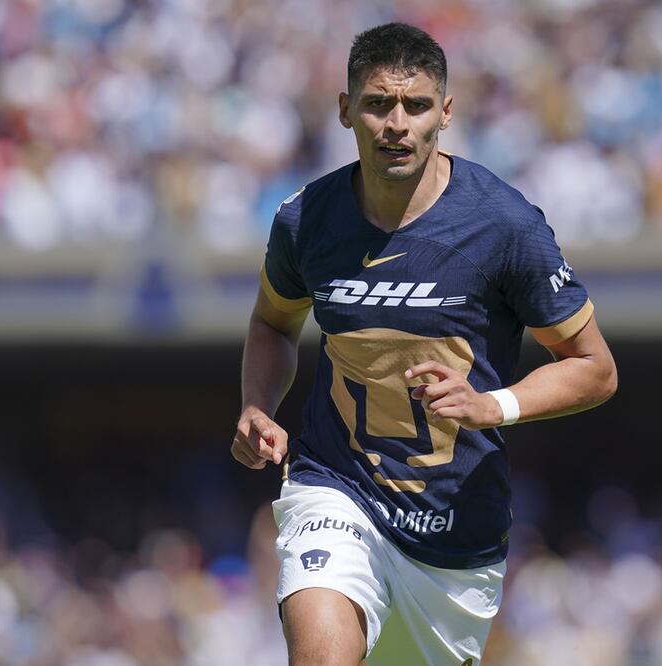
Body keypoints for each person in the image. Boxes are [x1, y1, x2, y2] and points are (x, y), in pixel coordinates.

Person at [232, 22, 617, 666]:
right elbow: (273, 323)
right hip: (337, 489)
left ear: (446, 111)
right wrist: (256, 404)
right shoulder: (306, 219)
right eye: (378, 104)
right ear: (345, 110)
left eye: (415, 105)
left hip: (454, 536)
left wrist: (493, 405)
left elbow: (594, 368)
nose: (396, 125)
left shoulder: (504, 225)